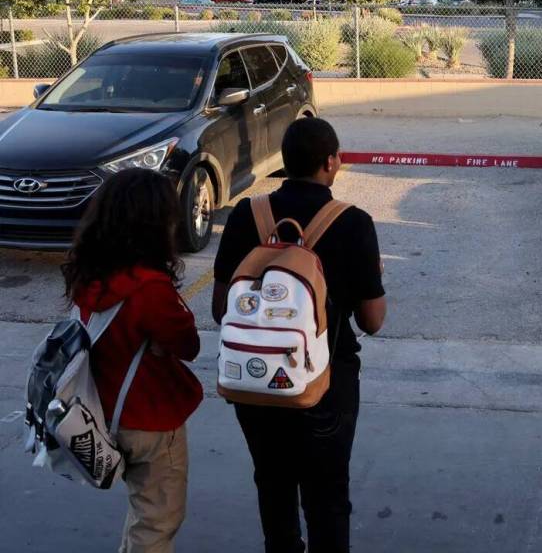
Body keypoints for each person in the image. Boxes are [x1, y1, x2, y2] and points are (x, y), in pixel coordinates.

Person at [212, 117, 386, 553]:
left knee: (272, 488)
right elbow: (372, 321)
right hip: (325, 385)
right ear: (331, 163)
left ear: (286, 162)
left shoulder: (244, 217)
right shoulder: (353, 223)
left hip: (254, 382)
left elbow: (220, 310)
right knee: (327, 498)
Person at [65, 168, 202, 553]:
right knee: (158, 521)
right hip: (152, 418)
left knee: (142, 513)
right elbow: (188, 344)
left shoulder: (89, 275)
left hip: (104, 410)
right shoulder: (150, 288)